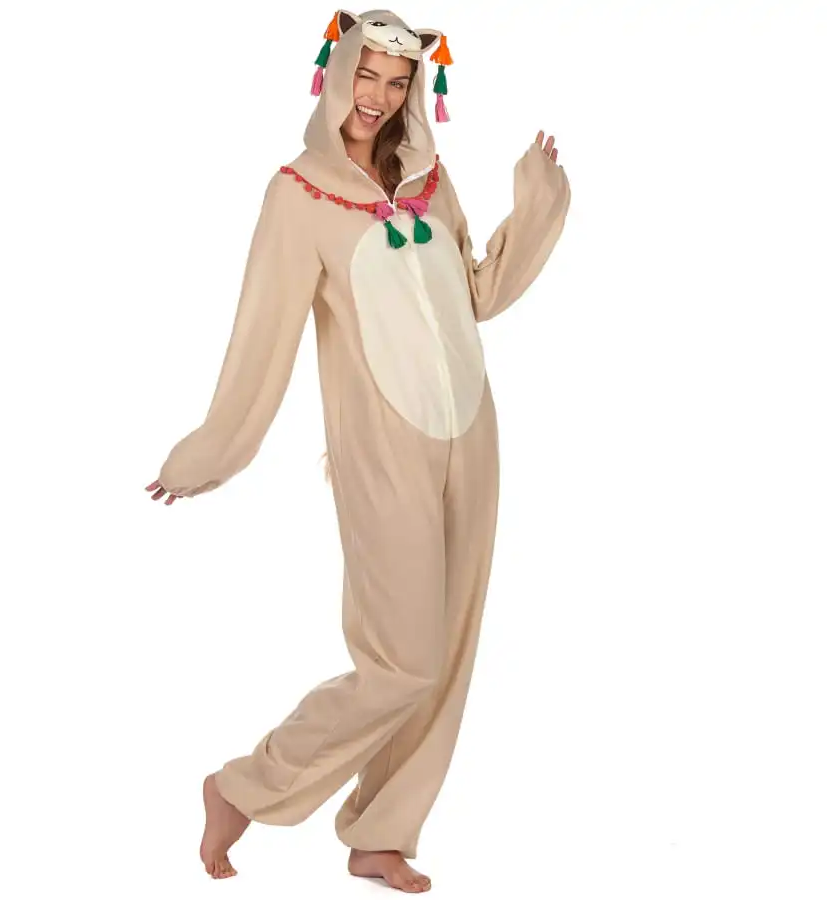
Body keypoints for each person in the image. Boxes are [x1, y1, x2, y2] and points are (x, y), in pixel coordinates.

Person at [145, 8, 570, 893]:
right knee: (401, 661)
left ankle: (382, 832)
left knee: (446, 656)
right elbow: (262, 335)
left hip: (473, 433)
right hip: (382, 451)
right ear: (337, 75)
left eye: (397, 81)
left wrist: (537, 206)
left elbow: (477, 295)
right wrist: (207, 454)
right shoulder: (298, 195)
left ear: (414, 91)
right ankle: (243, 787)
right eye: (367, 76)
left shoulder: (430, 180)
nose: (378, 97)